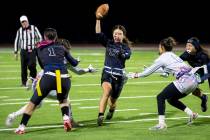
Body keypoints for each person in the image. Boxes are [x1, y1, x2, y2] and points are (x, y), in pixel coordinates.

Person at [6, 38, 97, 128]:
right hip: (46, 83)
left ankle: (13, 115)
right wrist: (88, 69)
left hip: (40, 82)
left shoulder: (50, 53)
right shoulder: (62, 58)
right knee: (65, 99)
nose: (68, 51)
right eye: (67, 49)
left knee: (35, 104)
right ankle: (69, 120)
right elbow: (78, 71)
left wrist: (31, 78)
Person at [14, 28, 79, 134]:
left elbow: (37, 64)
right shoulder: (62, 47)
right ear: (56, 37)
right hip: (64, 78)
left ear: (45, 37)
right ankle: (66, 118)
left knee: (32, 103)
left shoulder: (39, 47)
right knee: (63, 100)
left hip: (49, 77)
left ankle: (21, 127)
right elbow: (74, 63)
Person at [128, 37, 200, 130]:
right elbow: (165, 72)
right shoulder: (173, 55)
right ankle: (192, 114)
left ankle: (161, 124)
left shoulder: (162, 58)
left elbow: (146, 74)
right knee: (171, 99)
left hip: (185, 81)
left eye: (159, 46)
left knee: (160, 97)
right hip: (194, 81)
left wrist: (136, 75)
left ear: (162, 47)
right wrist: (150, 70)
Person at [95, 14, 132, 126]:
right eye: (115, 33)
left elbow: (127, 56)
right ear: (113, 34)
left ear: (123, 36)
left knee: (113, 102)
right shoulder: (108, 43)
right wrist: (98, 19)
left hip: (119, 77)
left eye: (119, 34)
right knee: (106, 91)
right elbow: (98, 33)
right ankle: (100, 115)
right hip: (107, 73)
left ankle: (111, 110)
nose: (117, 35)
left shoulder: (126, 47)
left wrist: (122, 53)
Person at [180, 37, 208, 112]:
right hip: (197, 72)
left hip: (206, 72)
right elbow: (178, 60)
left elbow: (206, 71)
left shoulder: (203, 56)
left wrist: (202, 78)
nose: (187, 47)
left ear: (196, 46)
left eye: (190, 45)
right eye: (187, 45)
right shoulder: (187, 54)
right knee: (192, 88)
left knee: (190, 84)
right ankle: (203, 97)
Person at [14, 15, 42, 86]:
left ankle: (33, 80)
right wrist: (15, 52)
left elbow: (40, 37)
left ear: (27, 21)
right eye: (22, 22)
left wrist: (38, 45)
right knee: (23, 67)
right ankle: (24, 82)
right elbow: (16, 41)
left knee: (32, 65)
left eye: (25, 21)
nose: (24, 23)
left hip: (32, 50)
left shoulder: (34, 28)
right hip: (23, 51)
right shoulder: (19, 30)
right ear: (21, 23)